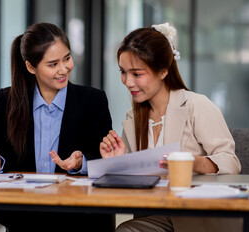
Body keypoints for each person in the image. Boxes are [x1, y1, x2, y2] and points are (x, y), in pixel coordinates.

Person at [0, 22, 114, 232]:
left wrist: (80, 162)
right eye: (53, 64)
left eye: (67, 58)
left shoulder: (93, 101)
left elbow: (106, 160)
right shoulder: (6, 101)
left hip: (78, 217)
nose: (63, 69)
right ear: (31, 67)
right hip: (24, 217)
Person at [100, 23, 241, 232]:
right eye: (123, 72)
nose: (128, 82)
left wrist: (194, 162)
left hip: (197, 217)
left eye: (137, 74)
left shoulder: (196, 105)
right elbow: (135, 183)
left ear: (163, 72)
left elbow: (231, 162)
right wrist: (117, 164)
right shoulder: (133, 117)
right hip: (157, 215)